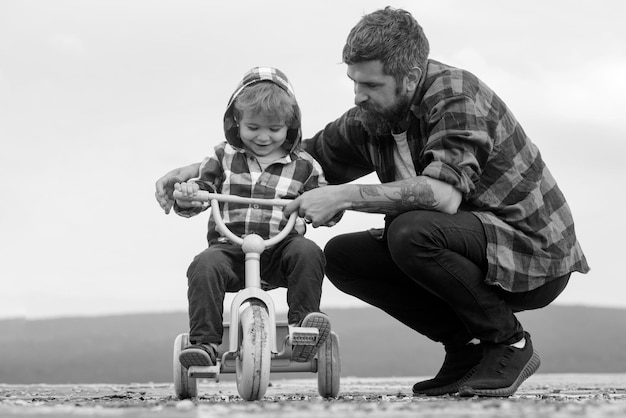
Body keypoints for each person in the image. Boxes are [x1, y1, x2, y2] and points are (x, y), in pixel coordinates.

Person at [156, 8, 589, 397]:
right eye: (354, 82)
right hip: (470, 246)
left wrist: (342, 195)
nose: (358, 95)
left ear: (412, 74)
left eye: (369, 84)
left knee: (411, 230)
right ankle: (467, 349)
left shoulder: (457, 97)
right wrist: (198, 171)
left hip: (530, 255)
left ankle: (508, 342)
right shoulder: (375, 116)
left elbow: (442, 195)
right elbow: (298, 157)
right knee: (344, 257)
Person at [171, 67, 334, 368]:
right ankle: (205, 343)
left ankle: (303, 328)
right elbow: (204, 190)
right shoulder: (222, 157)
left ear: (290, 124)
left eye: (274, 129)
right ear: (237, 121)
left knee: (308, 252)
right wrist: (188, 196)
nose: (263, 137)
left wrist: (328, 209)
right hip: (231, 248)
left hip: (281, 248)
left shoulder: (305, 165)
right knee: (204, 266)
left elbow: (323, 204)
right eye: (253, 127)